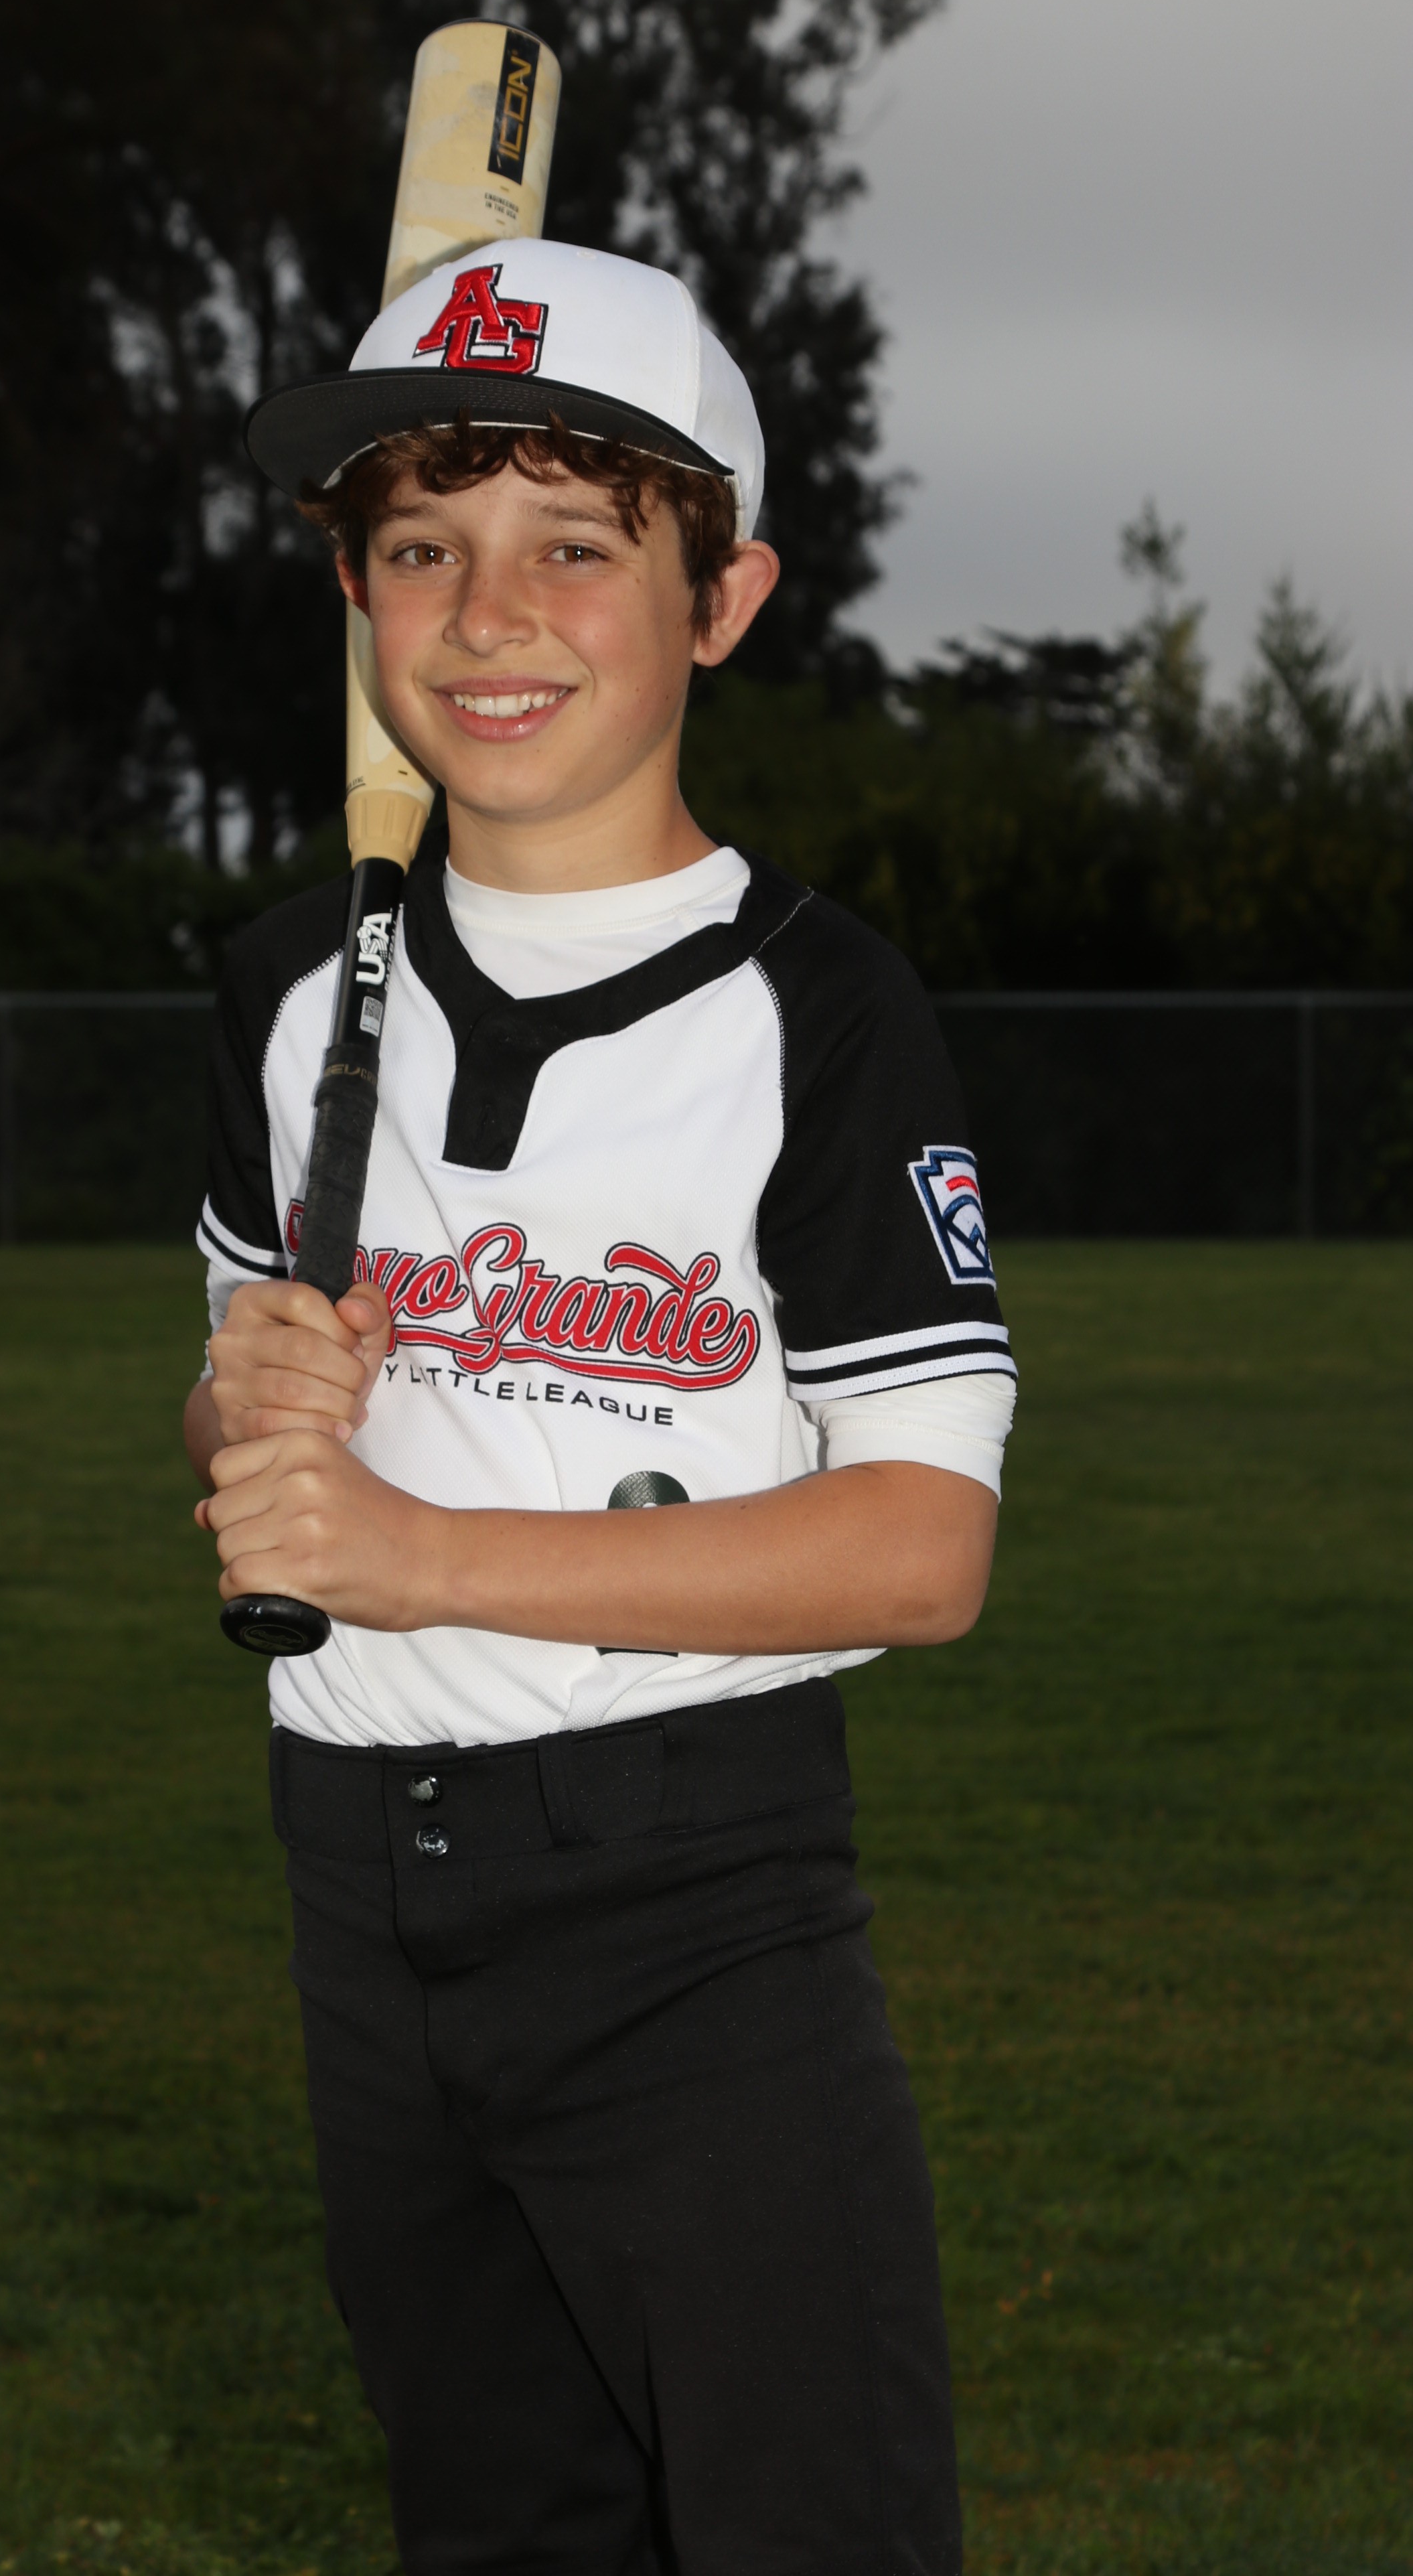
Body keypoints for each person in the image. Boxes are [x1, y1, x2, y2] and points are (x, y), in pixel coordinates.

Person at [183, 238, 1014, 2576]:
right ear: (354, 592)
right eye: (420, 549)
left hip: (691, 1904)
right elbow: (248, 1444)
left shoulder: (820, 1016)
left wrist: (419, 1554)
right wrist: (248, 1411)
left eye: (576, 545)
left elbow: (920, 1546)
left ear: (721, 598)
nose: (488, 616)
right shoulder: (291, 993)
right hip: (362, 1889)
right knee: (498, 2531)